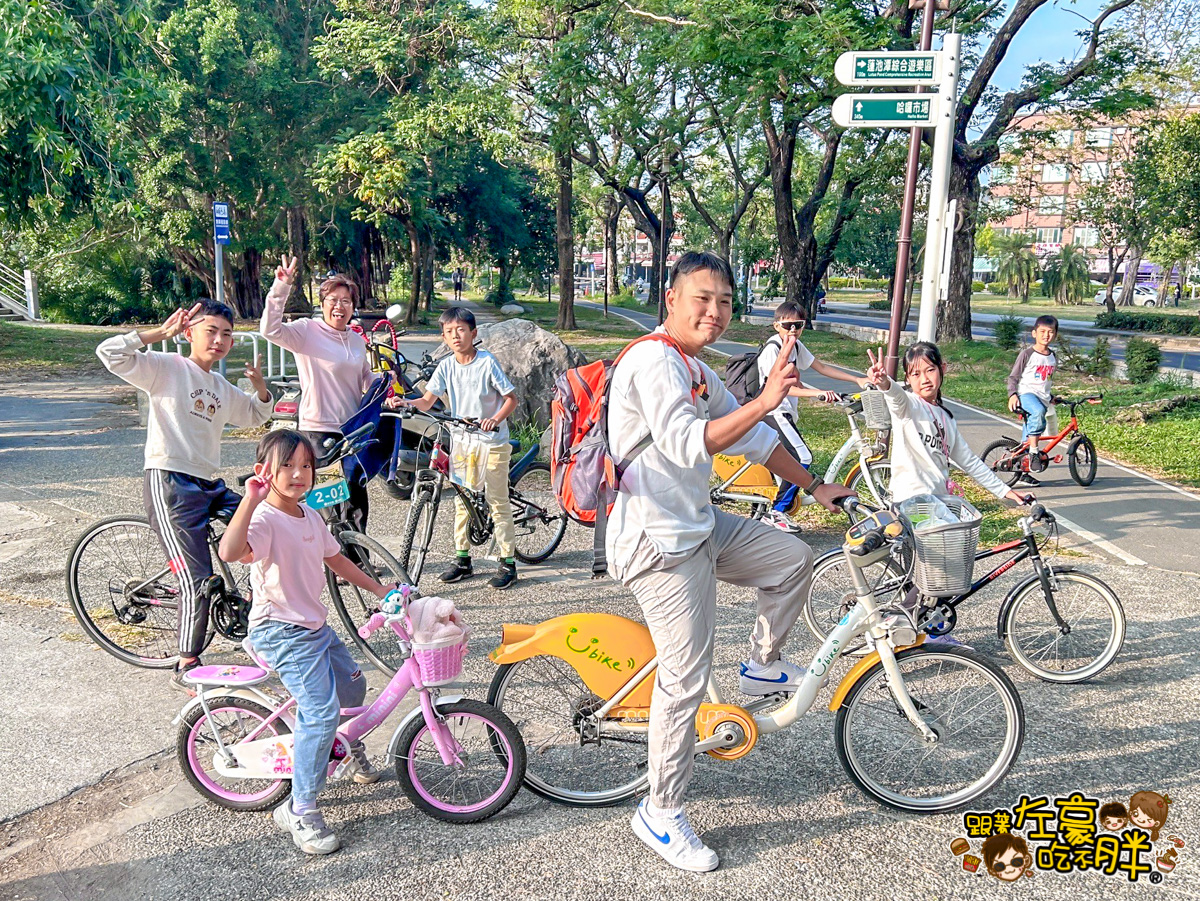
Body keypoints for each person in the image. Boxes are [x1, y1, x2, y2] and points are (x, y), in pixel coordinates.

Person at [606, 251, 854, 872]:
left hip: (698, 524)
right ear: (671, 298)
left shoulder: (691, 366)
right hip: (659, 541)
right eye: (702, 299)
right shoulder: (652, 360)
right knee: (685, 676)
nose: (714, 312)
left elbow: (754, 439)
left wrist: (817, 486)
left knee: (792, 558)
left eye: (723, 301)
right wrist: (767, 398)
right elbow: (689, 441)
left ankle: (761, 667)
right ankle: (658, 813)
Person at [218, 430, 391, 856]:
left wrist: (380, 590)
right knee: (320, 709)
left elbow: (336, 559)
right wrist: (250, 499)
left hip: (313, 628)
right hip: (278, 629)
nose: (298, 474)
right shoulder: (263, 519)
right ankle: (301, 809)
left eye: (306, 466)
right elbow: (229, 551)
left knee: (352, 687)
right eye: (287, 466)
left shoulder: (310, 516)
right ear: (266, 471)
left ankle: (340, 749)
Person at [96, 300, 273, 691]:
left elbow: (255, 416)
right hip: (171, 483)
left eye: (227, 333)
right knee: (198, 579)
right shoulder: (165, 367)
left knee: (267, 523)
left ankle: (256, 618)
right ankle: (187, 660)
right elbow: (108, 352)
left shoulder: (220, 386)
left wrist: (261, 390)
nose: (220, 340)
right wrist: (158, 334)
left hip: (209, 484)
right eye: (210, 330)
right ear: (189, 332)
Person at [386, 307, 521, 589]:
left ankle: (507, 562)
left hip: (492, 441)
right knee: (462, 500)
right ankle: (463, 559)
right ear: (444, 338)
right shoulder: (446, 366)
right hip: (462, 440)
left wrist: (494, 419)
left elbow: (511, 399)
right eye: (449, 332)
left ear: (473, 333)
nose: (455, 336)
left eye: (460, 330)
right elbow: (426, 401)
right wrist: (405, 403)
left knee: (497, 500)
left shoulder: (487, 362)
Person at [260, 256, 374, 530]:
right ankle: (330, 562)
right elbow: (269, 330)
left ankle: (358, 562)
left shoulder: (357, 341)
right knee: (328, 503)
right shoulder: (307, 332)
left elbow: (364, 378)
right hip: (320, 432)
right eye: (333, 300)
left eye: (346, 301)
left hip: (352, 431)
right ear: (322, 304)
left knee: (356, 500)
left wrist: (385, 386)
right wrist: (281, 286)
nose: (339, 306)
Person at [865, 342, 1028, 506]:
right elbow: (895, 396)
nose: (924, 379)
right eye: (915, 374)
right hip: (910, 502)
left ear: (942, 368)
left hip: (938, 501)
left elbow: (969, 461)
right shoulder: (908, 406)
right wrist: (884, 382)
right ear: (907, 378)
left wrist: (1005, 490)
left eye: (930, 370)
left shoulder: (946, 418)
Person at [755, 300, 869, 533]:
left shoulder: (795, 346)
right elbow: (781, 388)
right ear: (776, 325)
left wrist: (856, 380)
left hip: (786, 412)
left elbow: (822, 368)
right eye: (788, 326)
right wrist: (817, 393)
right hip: (773, 411)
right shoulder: (772, 350)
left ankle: (777, 504)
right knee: (802, 457)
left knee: (792, 457)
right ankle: (776, 512)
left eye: (799, 325)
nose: (794, 330)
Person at [1005, 315, 1058, 487]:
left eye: (1050, 332)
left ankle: (1023, 473)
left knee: (1028, 436)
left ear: (1055, 335)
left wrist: (1051, 398)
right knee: (1037, 413)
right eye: (1042, 331)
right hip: (1026, 395)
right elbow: (1013, 377)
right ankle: (1034, 453)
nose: (1046, 335)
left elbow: (1045, 381)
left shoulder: (1052, 357)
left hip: (1042, 397)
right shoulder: (1027, 354)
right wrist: (1012, 395)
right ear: (1034, 333)